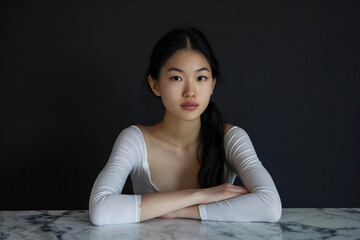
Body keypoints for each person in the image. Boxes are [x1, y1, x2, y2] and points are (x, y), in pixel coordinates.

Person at [89, 27, 282, 225]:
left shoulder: (230, 138)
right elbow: (101, 211)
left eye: (201, 78)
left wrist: (180, 211)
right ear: (155, 85)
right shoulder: (135, 140)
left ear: (213, 84)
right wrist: (200, 195)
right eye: (176, 78)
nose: (190, 92)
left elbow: (270, 207)